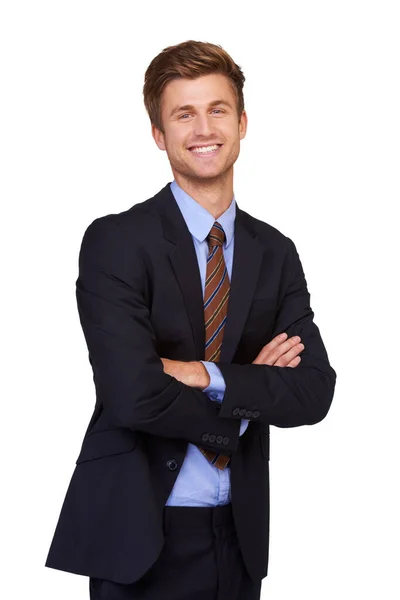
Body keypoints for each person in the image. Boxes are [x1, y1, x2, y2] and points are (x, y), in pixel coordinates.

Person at [44, 40, 337, 600]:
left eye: (218, 109)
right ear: (159, 135)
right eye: (184, 113)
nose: (204, 127)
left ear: (243, 122)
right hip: (137, 538)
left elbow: (313, 391)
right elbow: (132, 393)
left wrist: (205, 375)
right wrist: (248, 401)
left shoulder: (275, 251)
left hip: (239, 538)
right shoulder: (117, 242)